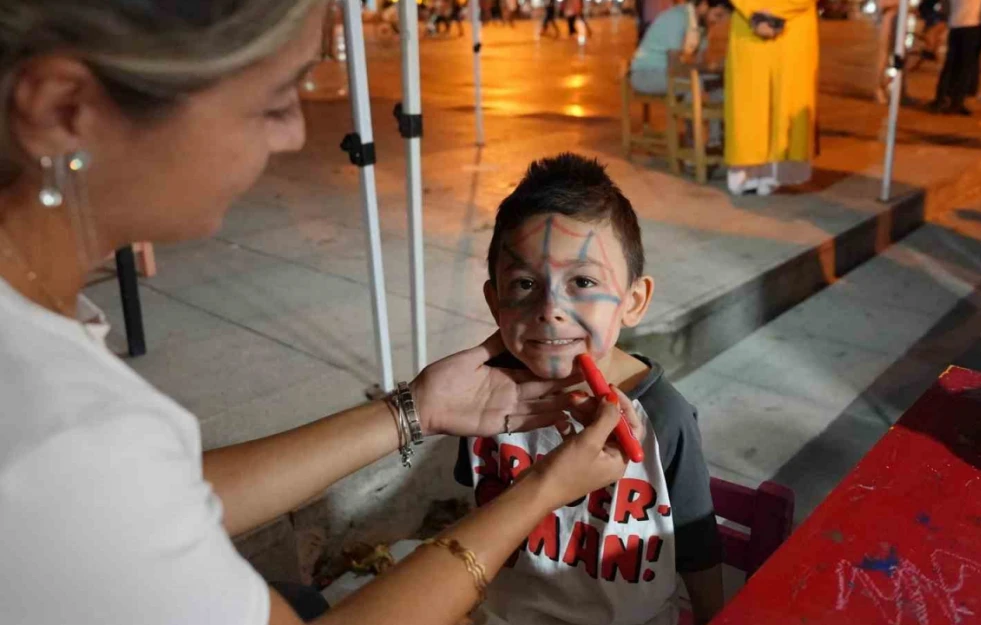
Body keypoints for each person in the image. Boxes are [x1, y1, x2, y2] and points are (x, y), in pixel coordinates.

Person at [0, 2, 646, 624]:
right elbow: (99, 485)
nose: (296, 134)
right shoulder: (54, 434)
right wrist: (538, 494)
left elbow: (144, 501)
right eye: (275, 100)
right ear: (65, 108)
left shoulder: (45, 364)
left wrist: (413, 410)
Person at [454, 154, 724, 625]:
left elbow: (697, 550)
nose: (550, 309)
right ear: (495, 302)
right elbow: (469, 517)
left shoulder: (663, 417)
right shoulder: (479, 404)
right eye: (523, 284)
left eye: (582, 281)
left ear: (633, 301)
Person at [724, 0, 819, 196]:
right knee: (749, 99)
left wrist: (764, 13)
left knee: (787, 98)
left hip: (792, 25)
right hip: (750, 24)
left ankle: (775, 173)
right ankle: (745, 171)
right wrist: (756, 13)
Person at [630, 0, 733, 147]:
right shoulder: (677, 18)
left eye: (723, 18)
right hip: (646, 74)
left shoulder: (700, 25)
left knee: (718, 81)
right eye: (718, 15)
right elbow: (675, 67)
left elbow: (697, 63)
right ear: (704, 5)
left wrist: (715, 68)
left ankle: (715, 143)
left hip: (668, 73)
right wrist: (710, 68)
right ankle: (693, 148)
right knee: (695, 85)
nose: (718, 21)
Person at [930, 0, 981, 115]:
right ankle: (955, 102)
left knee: (952, 63)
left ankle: (943, 98)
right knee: (966, 65)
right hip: (974, 22)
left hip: (958, 20)